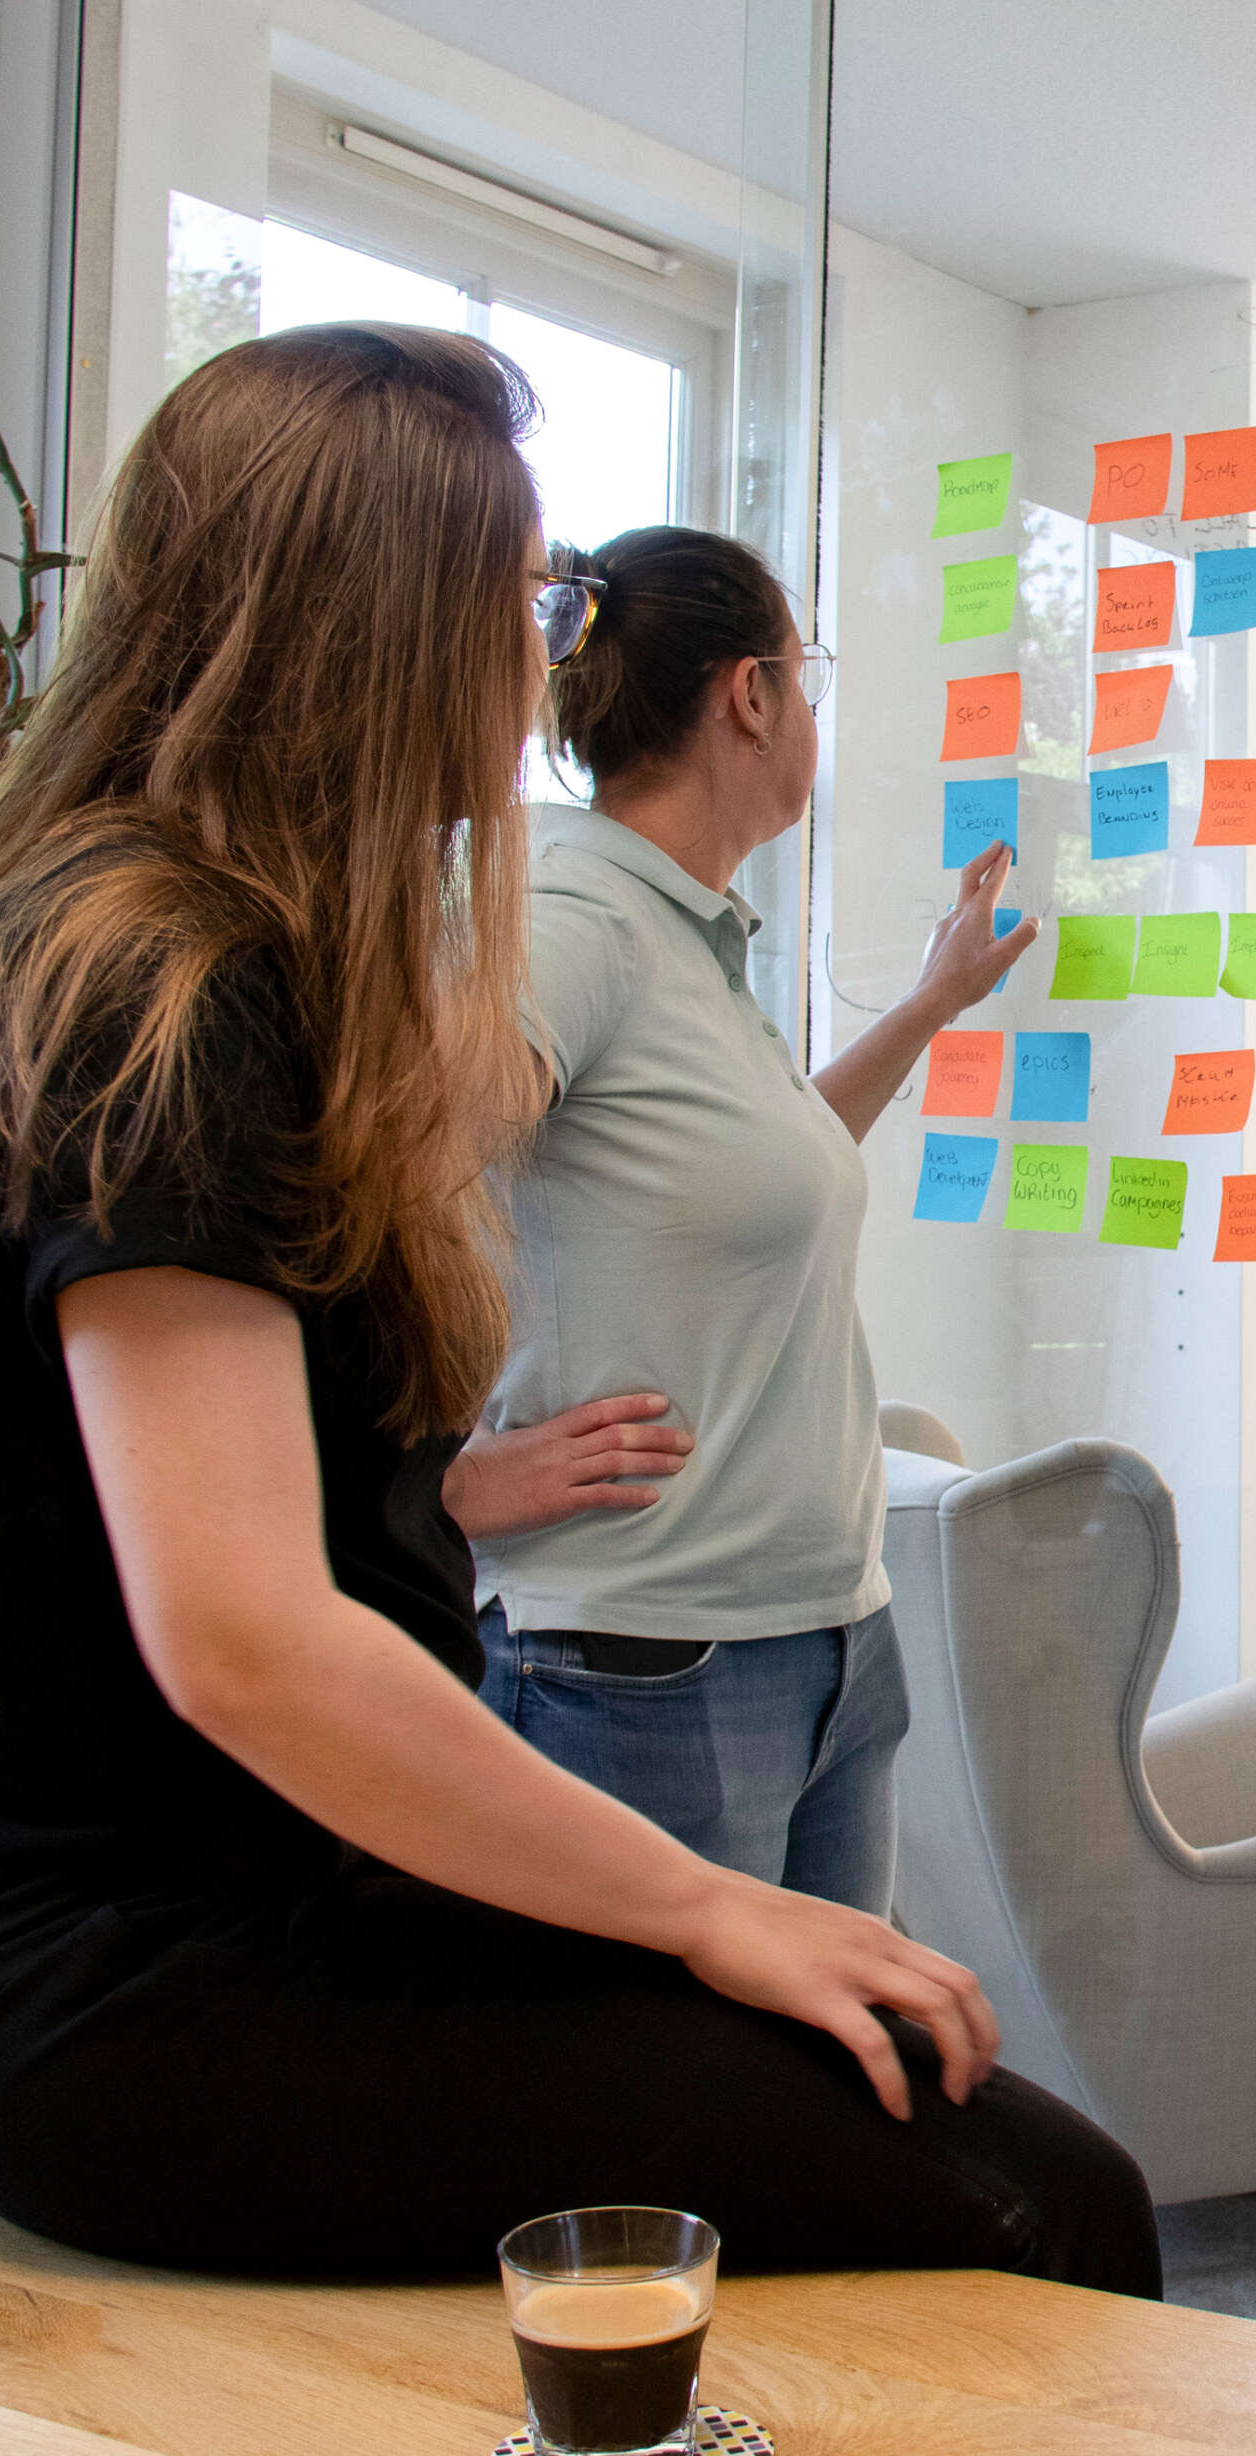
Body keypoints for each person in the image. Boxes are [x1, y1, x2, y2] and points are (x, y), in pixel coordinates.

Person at [0, 322, 1156, 2294]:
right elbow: (238, 1632)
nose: (549, 648)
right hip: (120, 1972)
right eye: (532, 591)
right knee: (1035, 2205)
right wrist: (696, 1906)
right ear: (393, 616)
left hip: (257, 1887)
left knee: (915, 2092)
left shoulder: (177, 940)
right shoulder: (153, 984)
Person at [443, 527, 1031, 1916]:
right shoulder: (579, 915)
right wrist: (440, 1485)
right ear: (751, 696)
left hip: (817, 1641)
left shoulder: (684, 935)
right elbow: (382, 1182)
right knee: (656, 2128)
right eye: (806, 676)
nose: (811, 714)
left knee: (814, 2122)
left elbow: (770, 1171)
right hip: (640, 1665)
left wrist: (929, 1008)